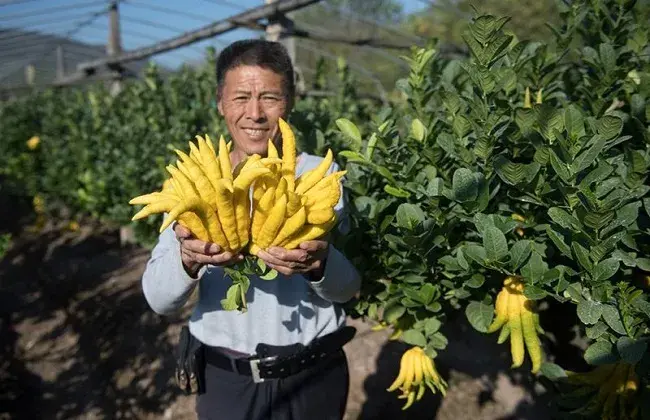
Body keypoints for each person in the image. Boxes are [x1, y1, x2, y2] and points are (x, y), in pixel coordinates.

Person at [141, 39, 362, 420]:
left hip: (315, 375)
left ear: (289, 102)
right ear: (220, 102)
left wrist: (319, 264)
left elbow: (348, 290)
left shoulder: (318, 177)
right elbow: (159, 300)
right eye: (241, 97)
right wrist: (187, 260)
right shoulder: (194, 181)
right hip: (228, 381)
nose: (255, 113)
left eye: (270, 98)